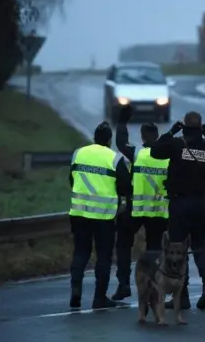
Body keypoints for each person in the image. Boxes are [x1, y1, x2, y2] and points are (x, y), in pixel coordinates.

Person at [150, 111, 205, 310]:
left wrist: (171, 131)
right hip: (201, 204)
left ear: (184, 127)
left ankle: (181, 296)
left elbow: (154, 151)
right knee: (199, 244)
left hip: (179, 204)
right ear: (201, 127)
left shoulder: (176, 144)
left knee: (178, 248)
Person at [69, 122, 131, 309]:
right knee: (103, 256)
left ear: (94, 138)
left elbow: (71, 179)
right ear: (109, 140)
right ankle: (99, 298)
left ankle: (76, 290)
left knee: (81, 252)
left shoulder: (79, 153)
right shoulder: (114, 158)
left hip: (79, 213)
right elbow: (125, 187)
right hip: (103, 217)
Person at [111, 108, 169, 301]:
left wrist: (122, 122)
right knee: (153, 248)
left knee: (123, 243)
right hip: (159, 212)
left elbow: (120, 143)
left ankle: (124, 284)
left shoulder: (138, 153)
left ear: (143, 137)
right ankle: (152, 285)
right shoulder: (169, 158)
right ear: (158, 136)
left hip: (136, 209)